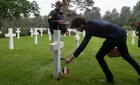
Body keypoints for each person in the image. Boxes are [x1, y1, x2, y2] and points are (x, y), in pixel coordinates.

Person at [65, 16, 140, 83]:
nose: (77, 30)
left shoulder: (89, 27)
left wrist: (71, 58)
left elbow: (83, 44)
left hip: (114, 37)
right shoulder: (91, 22)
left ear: (81, 25)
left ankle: (109, 78)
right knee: (126, 55)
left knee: (99, 56)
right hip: (122, 33)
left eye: (76, 28)